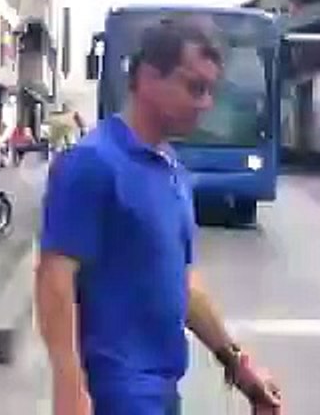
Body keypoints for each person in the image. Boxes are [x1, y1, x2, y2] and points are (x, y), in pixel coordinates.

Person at [36, 20, 281, 415]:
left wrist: (237, 363)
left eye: (210, 91)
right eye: (194, 87)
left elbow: (183, 284)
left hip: (163, 393)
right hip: (113, 396)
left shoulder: (171, 169)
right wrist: (70, 389)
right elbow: (54, 279)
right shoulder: (92, 163)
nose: (205, 104)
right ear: (149, 77)